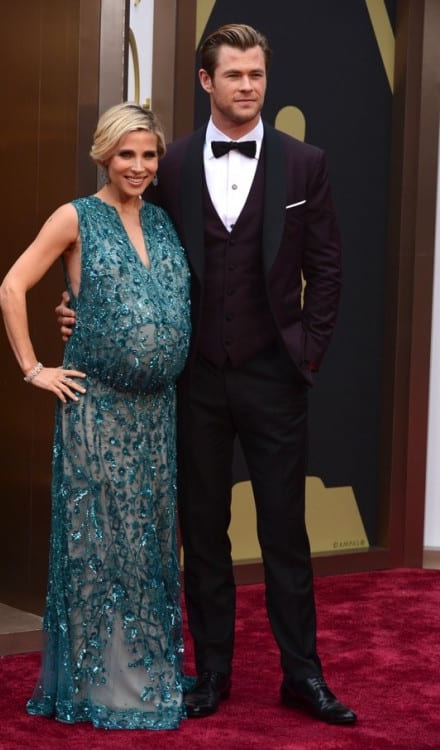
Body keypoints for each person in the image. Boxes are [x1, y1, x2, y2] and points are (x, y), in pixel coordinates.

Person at [57, 24, 357, 725]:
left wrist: (306, 355)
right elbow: (130, 249)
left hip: (274, 379)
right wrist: (77, 305)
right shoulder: (175, 163)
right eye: (234, 75)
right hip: (193, 382)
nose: (247, 86)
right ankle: (212, 671)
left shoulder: (305, 163)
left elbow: (330, 268)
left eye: (256, 75)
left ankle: (302, 676)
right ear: (206, 81)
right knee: (205, 531)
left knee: (285, 532)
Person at [0, 103, 191, 730]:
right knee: (102, 546)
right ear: (104, 154)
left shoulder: (162, 222)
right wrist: (34, 369)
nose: (138, 166)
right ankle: (103, 685)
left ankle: (149, 666)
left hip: (156, 415)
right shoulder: (74, 216)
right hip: (97, 411)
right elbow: (11, 286)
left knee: (149, 541)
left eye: (149, 154)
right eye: (126, 154)